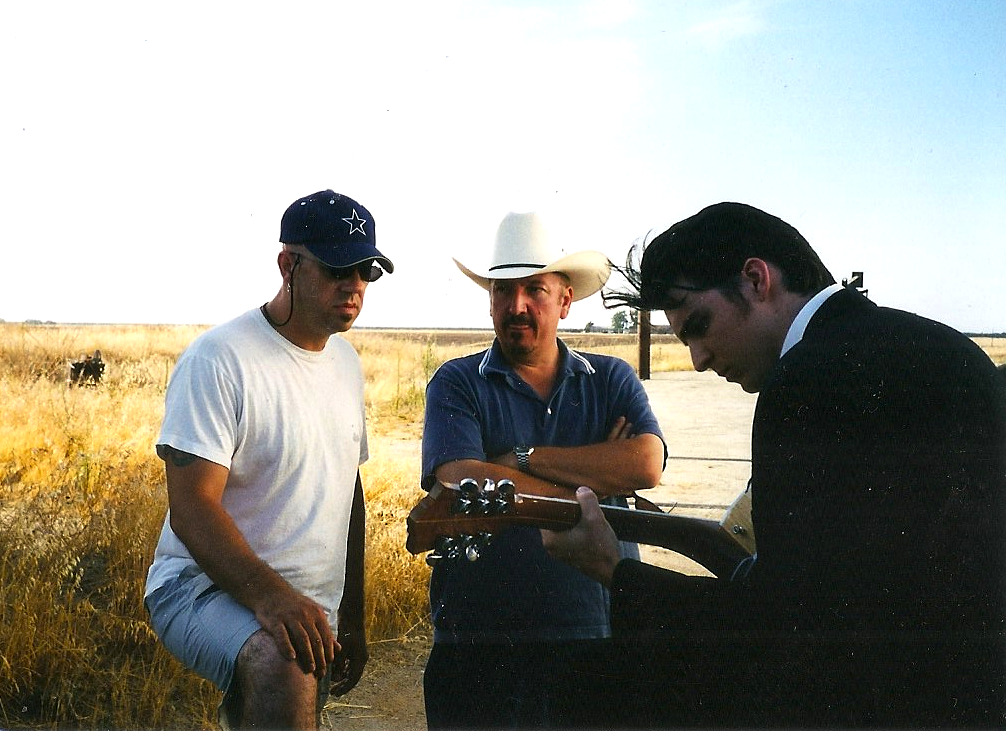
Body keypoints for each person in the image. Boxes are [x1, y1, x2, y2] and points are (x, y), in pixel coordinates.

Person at [546, 202, 1006, 727]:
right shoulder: (942, 344)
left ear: (755, 279)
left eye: (699, 325)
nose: (698, 358)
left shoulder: (805, 382)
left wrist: (615, 571)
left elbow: (786, 634)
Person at [143, 190, 393, 730]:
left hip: (299, 603)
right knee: (285, 664)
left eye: (366, 271)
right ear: (288, 264)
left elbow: (347, 490)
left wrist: (352, 617)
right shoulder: (220, 359)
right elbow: (191, 508)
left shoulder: (345, 362)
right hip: (199, 587)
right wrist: (276, 601)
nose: (353, 287)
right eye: (336, 270)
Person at [420, 211, 667, 729]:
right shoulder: (457, 382)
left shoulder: (610, 378)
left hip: (593, 629)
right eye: (503, 291)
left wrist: (520, 460)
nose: (518, 306)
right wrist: (595, 476)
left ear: (564, 300)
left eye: (534, 289)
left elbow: (645, 463)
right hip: (478, 637)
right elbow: (460, 478)